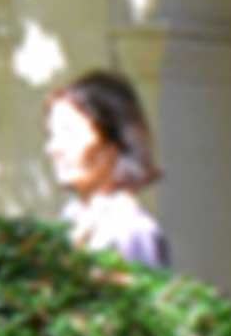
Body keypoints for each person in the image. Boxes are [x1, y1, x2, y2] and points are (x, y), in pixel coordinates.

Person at [49, 68, 169, 270]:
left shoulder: (133, 232)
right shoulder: (67, 223)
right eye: (52, 134)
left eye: (69, 133)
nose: (54, 148)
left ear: (112, 146)